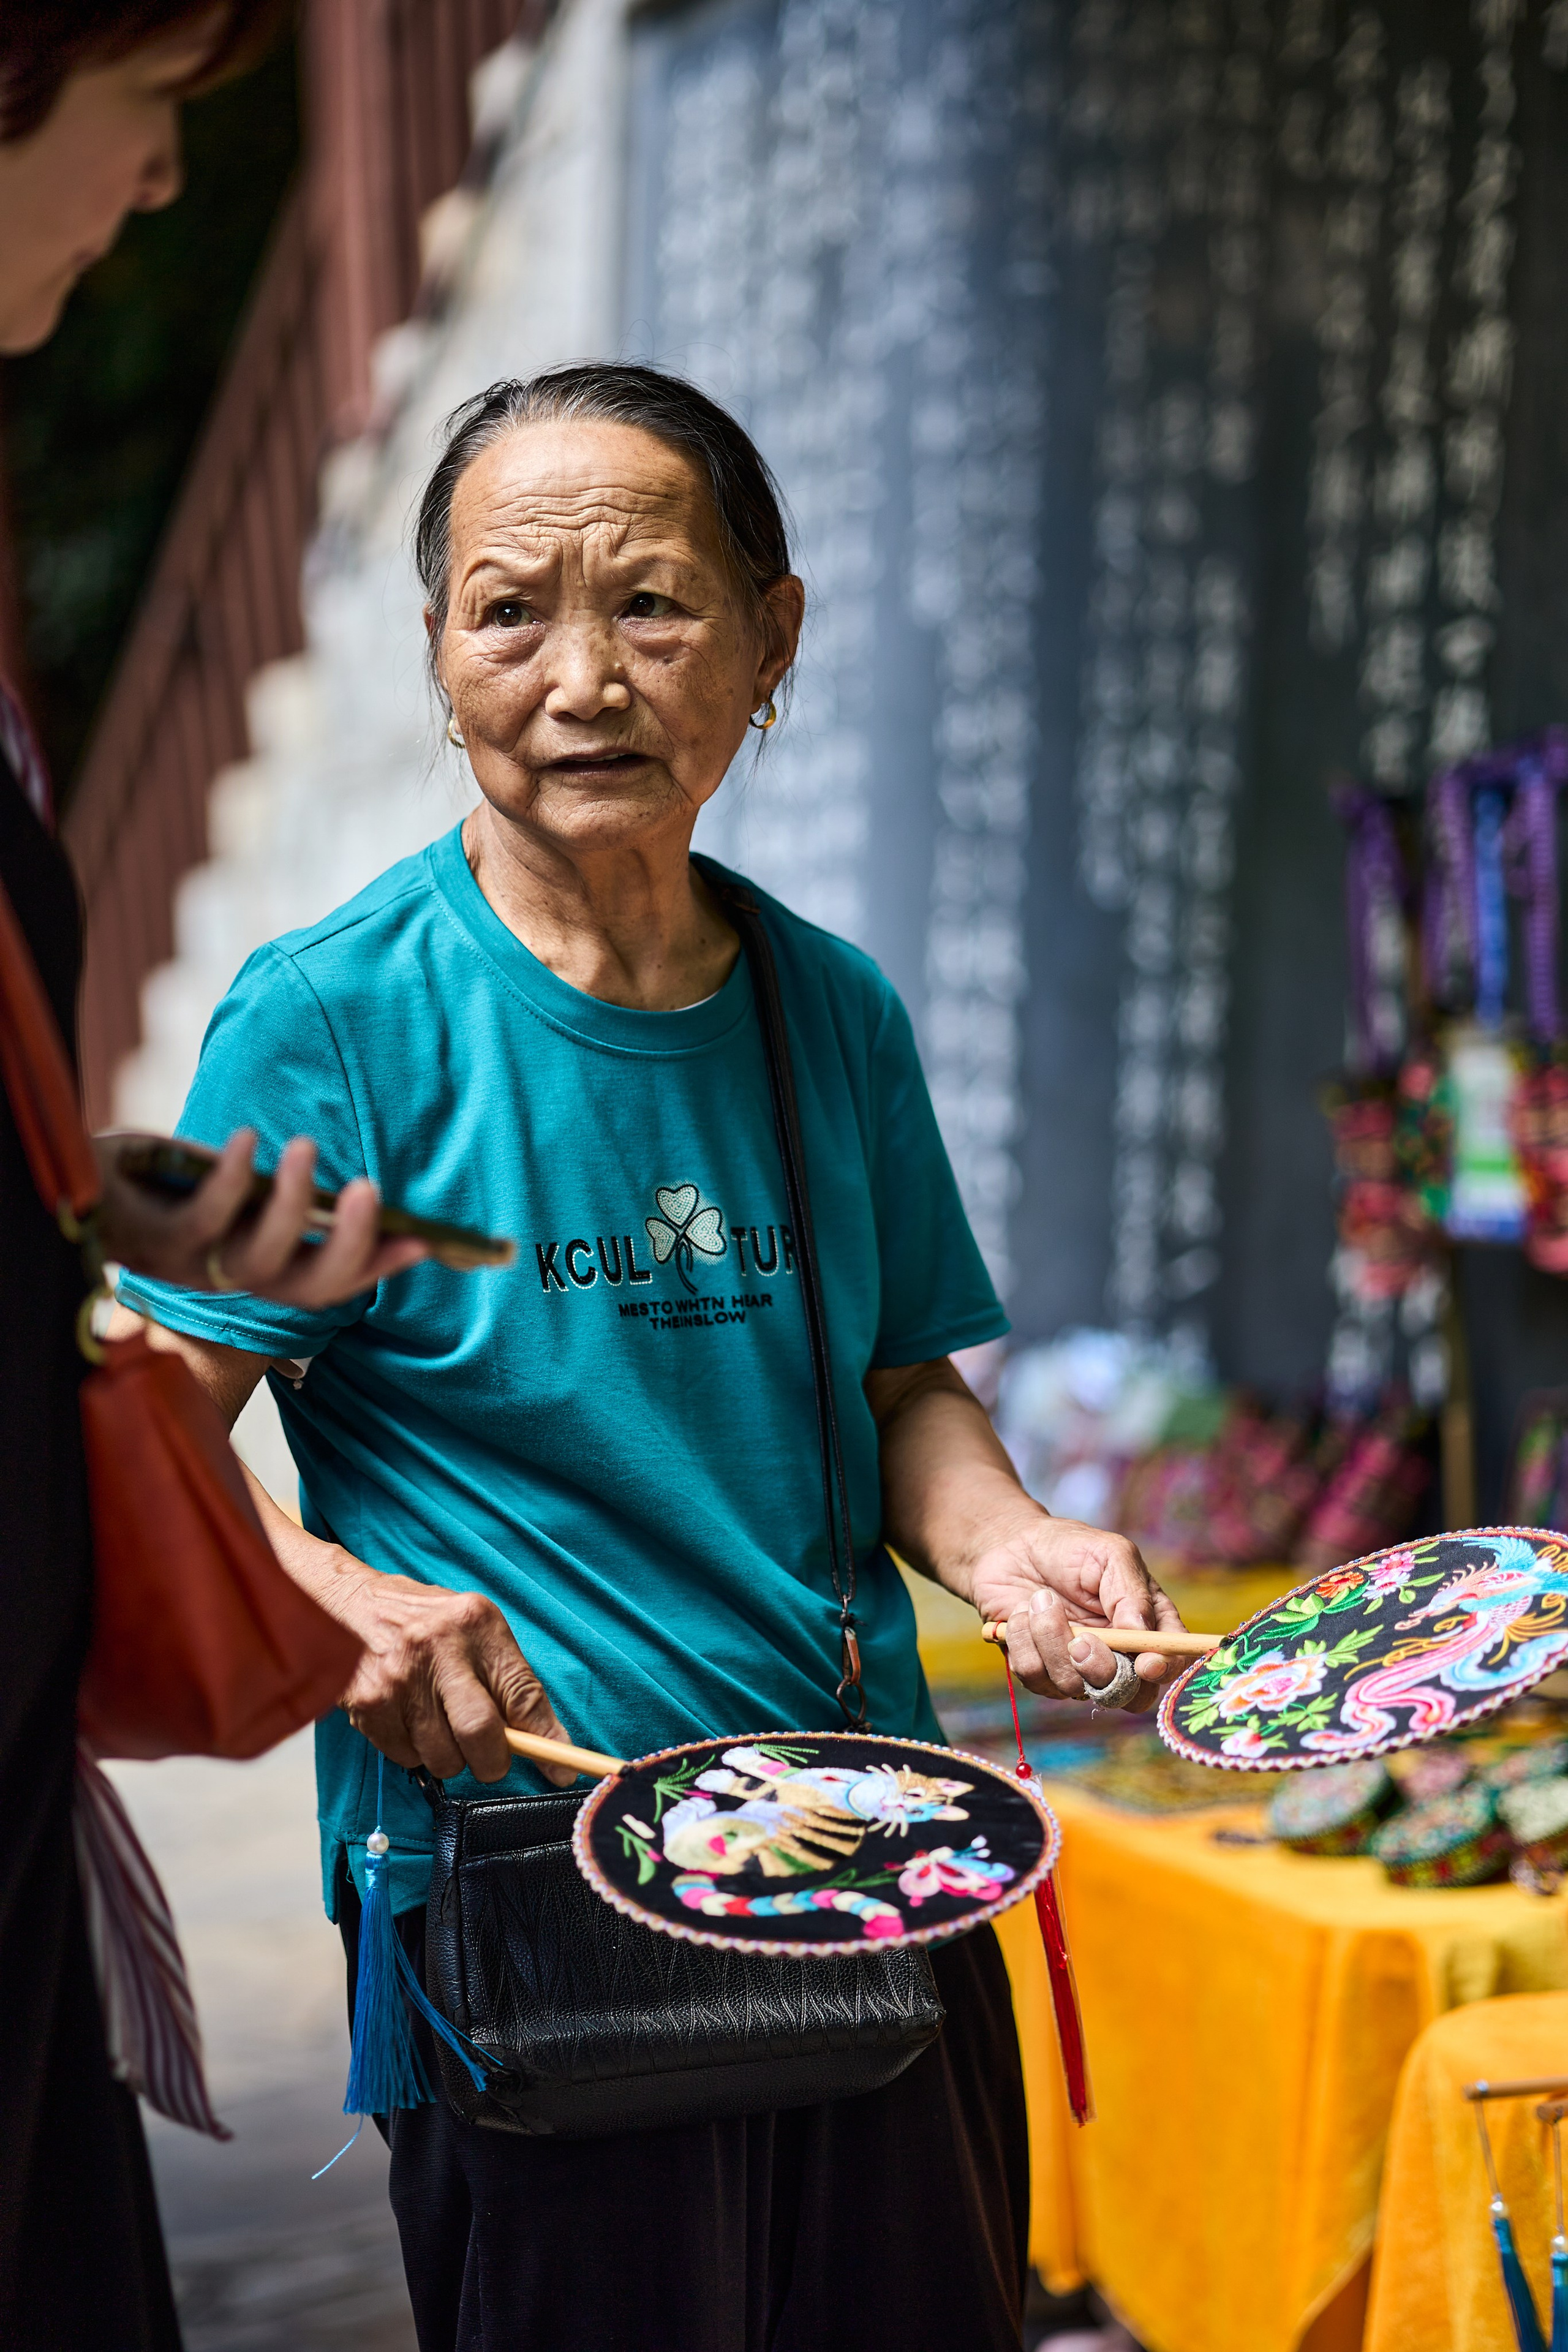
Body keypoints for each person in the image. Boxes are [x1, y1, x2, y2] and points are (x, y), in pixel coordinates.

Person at [119, 363, 1188, 2352]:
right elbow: (148, 1440)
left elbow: (896, 1392)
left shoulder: (826, 1007)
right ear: (436, 649)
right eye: (508, 608)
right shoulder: (327, 1025)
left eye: (655, 605)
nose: (580, 679)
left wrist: (1013, 1544)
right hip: (541, 1891)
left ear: (774, 638)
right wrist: (341, 1598)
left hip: (871, 1858)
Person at [0, 10, 439, 2345]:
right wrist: (303, 1575)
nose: (166, 185)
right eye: (149, 106)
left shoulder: (824, 1004)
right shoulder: (341, 1002)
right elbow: (163, 1348)